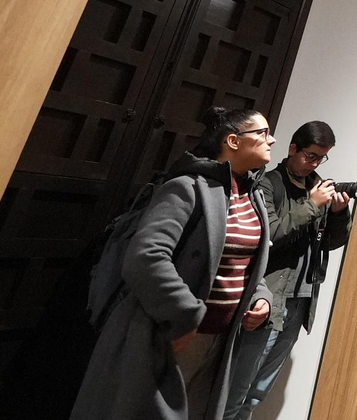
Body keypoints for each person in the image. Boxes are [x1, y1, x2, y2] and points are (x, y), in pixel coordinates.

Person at [74, 108, 275, 420]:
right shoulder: (188, 187)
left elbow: (244, 262)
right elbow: (146, 257)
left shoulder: (253, 197)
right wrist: (186, 315)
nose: (271, 139)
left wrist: (262, 297)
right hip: (173, 334)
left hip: (220, 341)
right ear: (233, 141)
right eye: (262, 133)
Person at [227, 121, 354, 420]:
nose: (314, 164)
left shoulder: (318, 187)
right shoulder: (268, 184)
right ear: (292, 148)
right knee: (237, 386)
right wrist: (311, 205)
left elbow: (331, 243)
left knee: (260, 390)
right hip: (270, 296)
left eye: (321, 158)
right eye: (310, 156)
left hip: (301, 299)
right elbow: (270, 232)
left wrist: (338, 214)